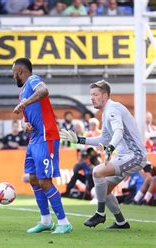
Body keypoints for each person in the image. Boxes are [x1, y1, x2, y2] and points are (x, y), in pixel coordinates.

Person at [60, 80, 147, 229]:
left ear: (105, 95)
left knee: (97, 172)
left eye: (95, 94)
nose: (92, 98)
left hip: (135, 155)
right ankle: (121, 222)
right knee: (104, 191)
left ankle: (100, 214)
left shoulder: (113, 109)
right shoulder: (106, 112)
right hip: (124, 156)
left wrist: (111, 147)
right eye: (91, 95)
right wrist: (79, 139)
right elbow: (104, 139)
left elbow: (118, 131)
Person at [12, 57, 72, 234]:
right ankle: (46, 220)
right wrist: (25, 125)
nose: (12, 75)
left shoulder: (33, 80)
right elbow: (25, 119)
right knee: (33, 179)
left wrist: (24, 103)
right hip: (34, 139)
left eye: (13, 72)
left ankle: (64, 222)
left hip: (47, 137)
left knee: (45, 181)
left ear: (20, 71)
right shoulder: (23, 92)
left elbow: (44, 91)